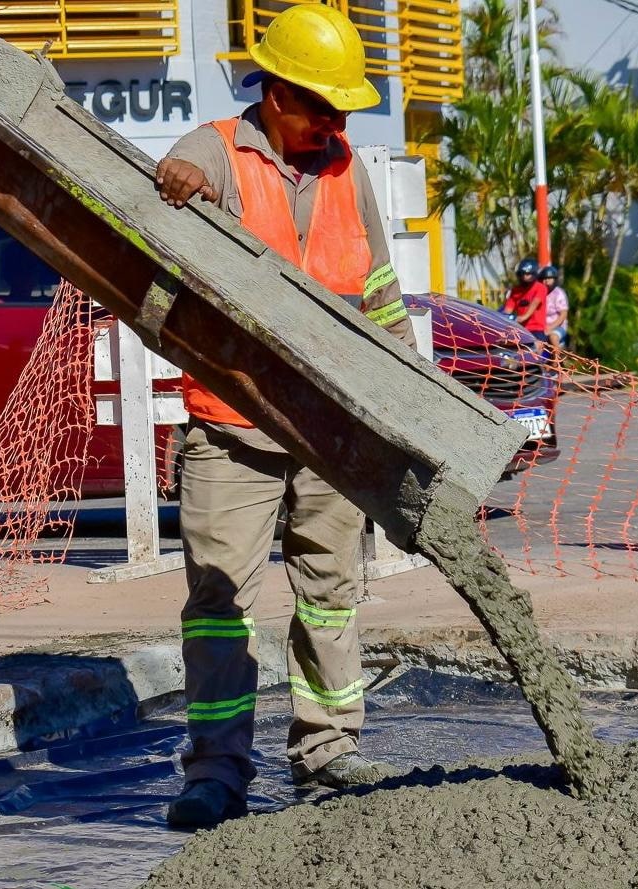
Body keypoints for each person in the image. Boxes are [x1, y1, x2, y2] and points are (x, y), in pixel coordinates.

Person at [153, 3, 415, 829]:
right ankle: (217, 771)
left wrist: (403, 394)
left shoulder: (344, 167)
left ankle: (327, 746)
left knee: (331, 593)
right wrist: (178, 184)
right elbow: (164, 185)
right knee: (220, 599)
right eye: (322, 106)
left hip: (330, 428)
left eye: (343, 109)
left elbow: (377, 289)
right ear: (275, 94)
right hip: (233, 425)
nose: (336, 124)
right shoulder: (216, 151)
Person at [501, 257, 548, 342]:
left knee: (536, 348)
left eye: (528, 274)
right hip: (519, 329)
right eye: (523, 274)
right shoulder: (515, 291)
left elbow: (533, 305)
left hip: (536, 329)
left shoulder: (540, 288)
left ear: (534, 274)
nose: (525, 276)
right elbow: (507, 310)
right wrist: (500, 317)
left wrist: (520, 318)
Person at [538, 264, 569, 350]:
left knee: (553, 337)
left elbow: (563, 315)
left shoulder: (559, 293)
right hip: (541, 326)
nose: (546, 281)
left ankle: (556, 362)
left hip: (558, 326)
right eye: (544, 279)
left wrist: (551, 327)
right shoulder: (539, 293)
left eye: (549, 278)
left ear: (554, 280)